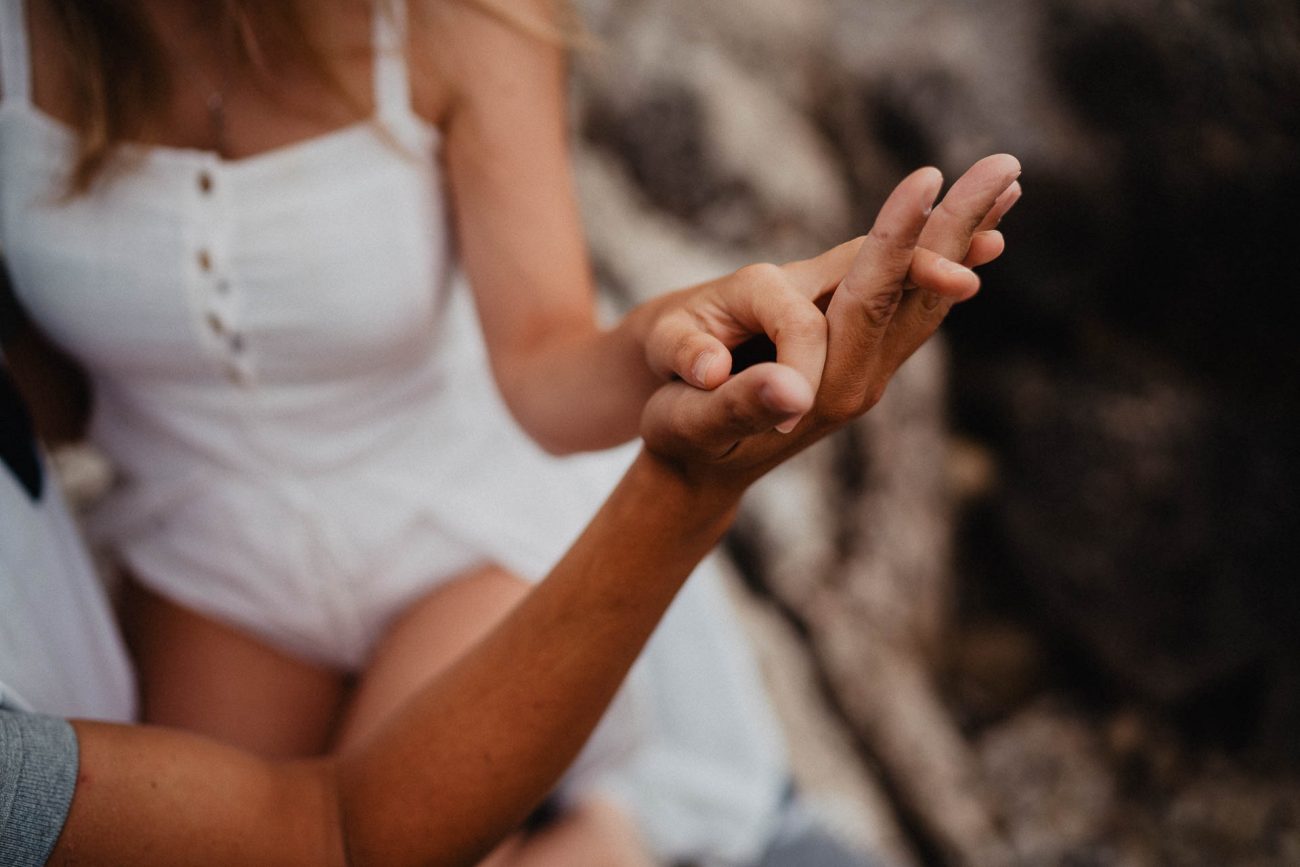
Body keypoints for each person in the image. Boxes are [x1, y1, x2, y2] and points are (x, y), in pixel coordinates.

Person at [0, 0, 1020, 861]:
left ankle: (605, 828)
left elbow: (543, 370)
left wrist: (674, 335)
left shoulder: (463, 19)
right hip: (199, 553)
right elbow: (55, 396)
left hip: (460, 519)